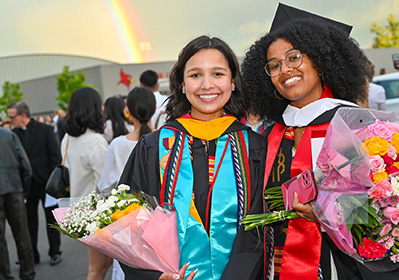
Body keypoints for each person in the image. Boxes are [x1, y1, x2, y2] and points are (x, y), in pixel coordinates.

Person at [241, 3, 399, 280]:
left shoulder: (357, 127)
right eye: (274, 65)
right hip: (277, 263)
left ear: (319, 60)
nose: (285, 69)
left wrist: (329, 215)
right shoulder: (271, 134)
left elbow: (388, 205)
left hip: (338, 264)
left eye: (294, 57)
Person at [119, 35, 266, 280]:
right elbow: (129, 222)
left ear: (233, 82)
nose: (207, 85)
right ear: (182, 84)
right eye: (195, 75)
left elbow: (263, 232)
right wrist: (154, 276)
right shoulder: (154, 147)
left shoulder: (255, 148)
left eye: (218, 74)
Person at [98, 87, 156, 280]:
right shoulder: (167, 140)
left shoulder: (117, 144)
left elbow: (105, 186)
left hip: (126, 224)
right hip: (161, 225)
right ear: (154, 110)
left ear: (128, 111)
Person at [61, 87, 111, 280]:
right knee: (97, 268)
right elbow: (104, 182)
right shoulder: (96, 141)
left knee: (103, 264)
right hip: (96, 214)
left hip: (77, 210)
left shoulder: (67, 138)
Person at [8, 101, 63, 266]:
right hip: (27, 186)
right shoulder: (13, 134)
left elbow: (55, 157)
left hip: (46, 183)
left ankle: (55, 252)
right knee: (28, 222)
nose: (10, 120)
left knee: (51, 220)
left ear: (22, 116)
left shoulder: (45, 130)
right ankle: (32, 255)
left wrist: (53, 181)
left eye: (12, 117)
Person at [0, 127, 35, 280]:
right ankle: (28, 273)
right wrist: (24, 191)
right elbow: (26, 166)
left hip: (11, 187)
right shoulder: (10, 135)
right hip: (14, 188)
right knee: (22, 233)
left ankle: (4, 275)